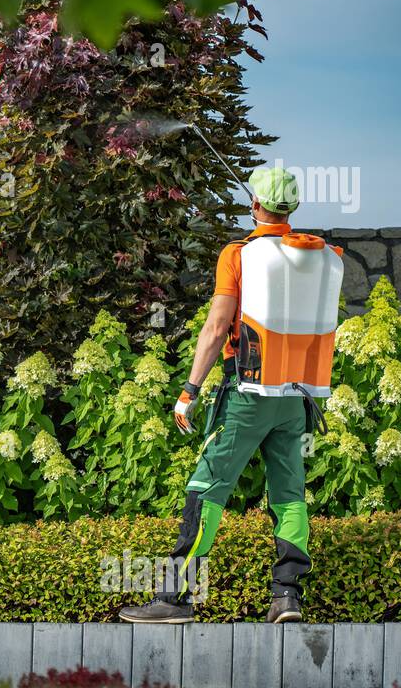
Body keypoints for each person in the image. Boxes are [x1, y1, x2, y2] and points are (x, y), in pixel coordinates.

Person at [119, 167, 343, 625]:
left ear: (255, 205)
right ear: (291, 208)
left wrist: (189, 389)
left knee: (208, 484)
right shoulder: (317, 256)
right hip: (297, 397)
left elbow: (217, 326)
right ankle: (287, 596)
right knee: (289, 493)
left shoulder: (239, 254)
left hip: (247, 393)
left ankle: (176, 597)